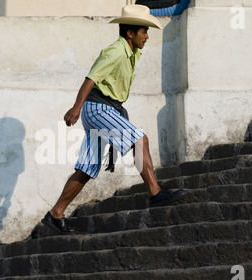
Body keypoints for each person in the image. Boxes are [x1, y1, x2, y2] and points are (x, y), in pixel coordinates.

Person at [42, 5, 184, 234]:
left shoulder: (133, 52)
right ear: (130, 33)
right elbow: (91, 78)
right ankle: (155, 193)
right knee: (140, 140)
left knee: (87, 168)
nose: (147, 36)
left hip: (103, 109)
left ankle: (55, 214)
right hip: (97, 108)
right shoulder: (116, 51)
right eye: (143, 31)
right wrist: (76, 108)